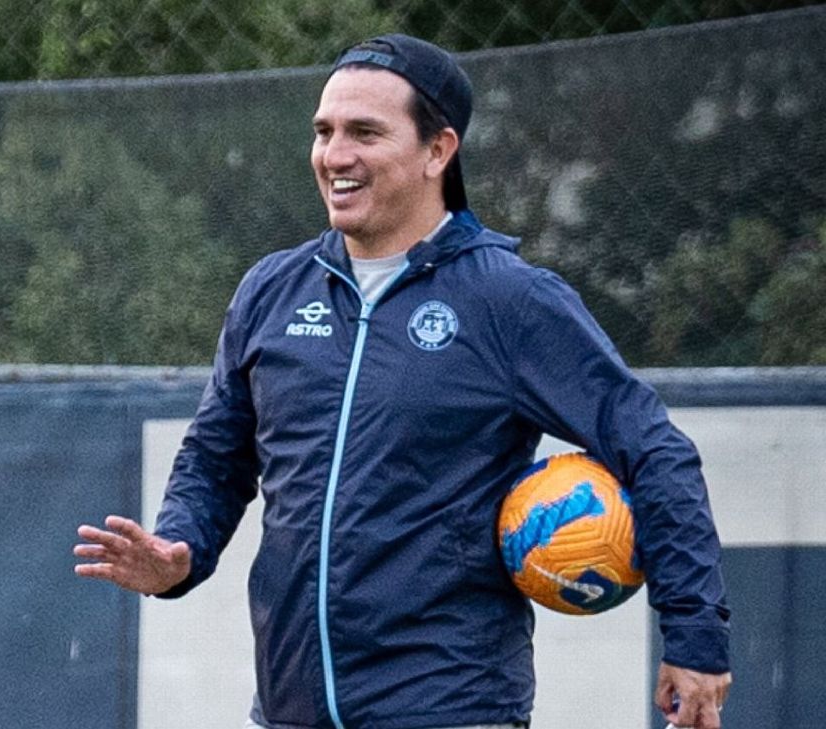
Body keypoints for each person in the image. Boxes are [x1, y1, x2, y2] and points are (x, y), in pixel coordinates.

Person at [74, 33, 732, 729]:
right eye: (324, 132)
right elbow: (216, 457)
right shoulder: (271, 289)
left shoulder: (510, 301)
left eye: (365, 133)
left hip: (450, 708)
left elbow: (655, 451)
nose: (335, 155)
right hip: (288, 711)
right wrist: (178, 550)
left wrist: (695, 636)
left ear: (437, 151)